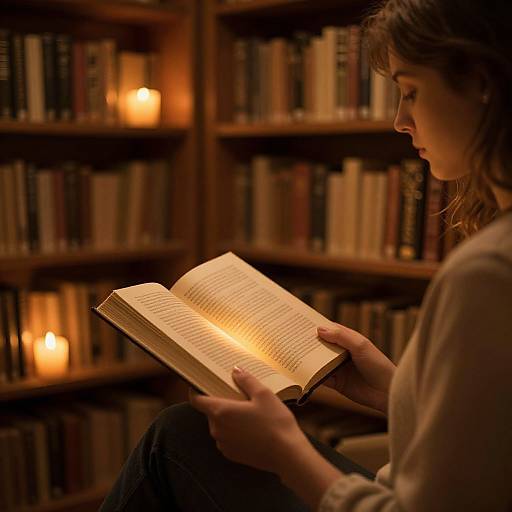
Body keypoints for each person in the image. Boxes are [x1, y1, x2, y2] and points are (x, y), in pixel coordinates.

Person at [100, 0, 512, 510]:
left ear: (481, 83)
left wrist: (286, 452)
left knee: (177, 436)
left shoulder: (490, 271)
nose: (400, 121)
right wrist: (390, 389)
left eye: (411, 91)